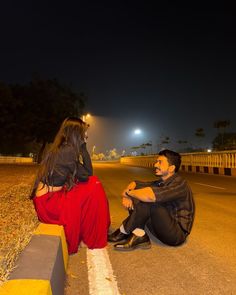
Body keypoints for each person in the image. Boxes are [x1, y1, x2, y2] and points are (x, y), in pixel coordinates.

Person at [31, 117, 110, 254]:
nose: (86, 135)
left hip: (47, 200)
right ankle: (92, 235)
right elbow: (87, 174)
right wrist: (83, 147)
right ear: (76, 133)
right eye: (84, 132)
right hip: (49, 205)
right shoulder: (68, 151)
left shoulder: (63, 148)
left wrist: (81, 146)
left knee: (91, 185)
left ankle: (91, 230)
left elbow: (84, 175)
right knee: (94, 184)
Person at [108, 149, 195, 251]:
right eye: (156, 161)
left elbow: (150, 197)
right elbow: (135, 183)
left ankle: (124, 231)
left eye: (160, 162)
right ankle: (139, 234)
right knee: (140, 195)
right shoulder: (160, 182)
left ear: (171, 168)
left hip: (175, 234)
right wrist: (128, 196)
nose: (155, 165)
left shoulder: (180, 184)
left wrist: (128, 193)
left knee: (149, 201)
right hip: (160, 227)